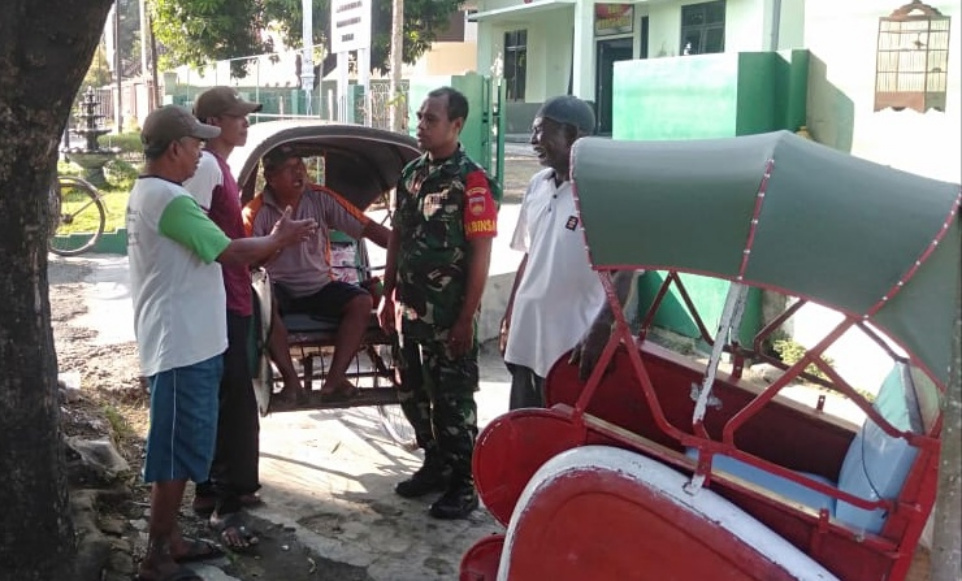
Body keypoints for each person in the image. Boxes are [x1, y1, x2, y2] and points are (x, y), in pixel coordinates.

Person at [128, 105, 315, 581]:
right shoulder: (168, 200)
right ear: (174, 148)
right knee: (173, 454)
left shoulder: (161, 194)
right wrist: (279, 238)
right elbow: (230, 251)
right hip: (180, 347)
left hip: (190, 343)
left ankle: (169, 538)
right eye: (195, 144)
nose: (200, 154)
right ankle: (156, 556)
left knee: (187, 446)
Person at [378, 87, 500, 519]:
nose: (421, 125)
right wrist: (387, 291)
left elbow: (481, 253)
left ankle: (464, 483)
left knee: (453, 401)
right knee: (413, 393)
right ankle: (433, 464)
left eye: (431, 119)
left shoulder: (473, 181)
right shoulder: (411, 174)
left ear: (456, 125)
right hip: (409, 311)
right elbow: (397, 237)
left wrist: (466, 317)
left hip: (449, 315)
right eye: (420, 116)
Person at [500, 95, 634, 409]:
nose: (533, 140)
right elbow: (530, 255)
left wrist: (603, 326)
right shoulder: (536, 185)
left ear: (573, 135)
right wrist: (510, 315)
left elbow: (625, 270)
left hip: (571, 340)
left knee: (561, 423)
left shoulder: (604, 194)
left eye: (541, 131)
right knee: (522, 420)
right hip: (527, 332)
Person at [243, 145, 391, 403]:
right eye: (290, 168)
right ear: (271, 177)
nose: (299, 172)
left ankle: (334, 380)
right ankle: (292, 382)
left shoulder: (320, 198)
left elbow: (368, 228)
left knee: (361, 301)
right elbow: (246, 261)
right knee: (265, 305)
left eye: (300, 165)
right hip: (278, 286)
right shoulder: (255, 212)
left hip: (319, 285)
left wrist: (405, 247)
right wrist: (278, 242)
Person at [181, 86, 263, 550]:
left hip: (232, 294)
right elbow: (193, 230)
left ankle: (217, 488)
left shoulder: (219, 166)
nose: (245, 122)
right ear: (213, 120)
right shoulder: (208, 166)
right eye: (237, 116)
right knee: (232, 398)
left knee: (231, 395)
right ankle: (224, 500)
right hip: (222, 299)